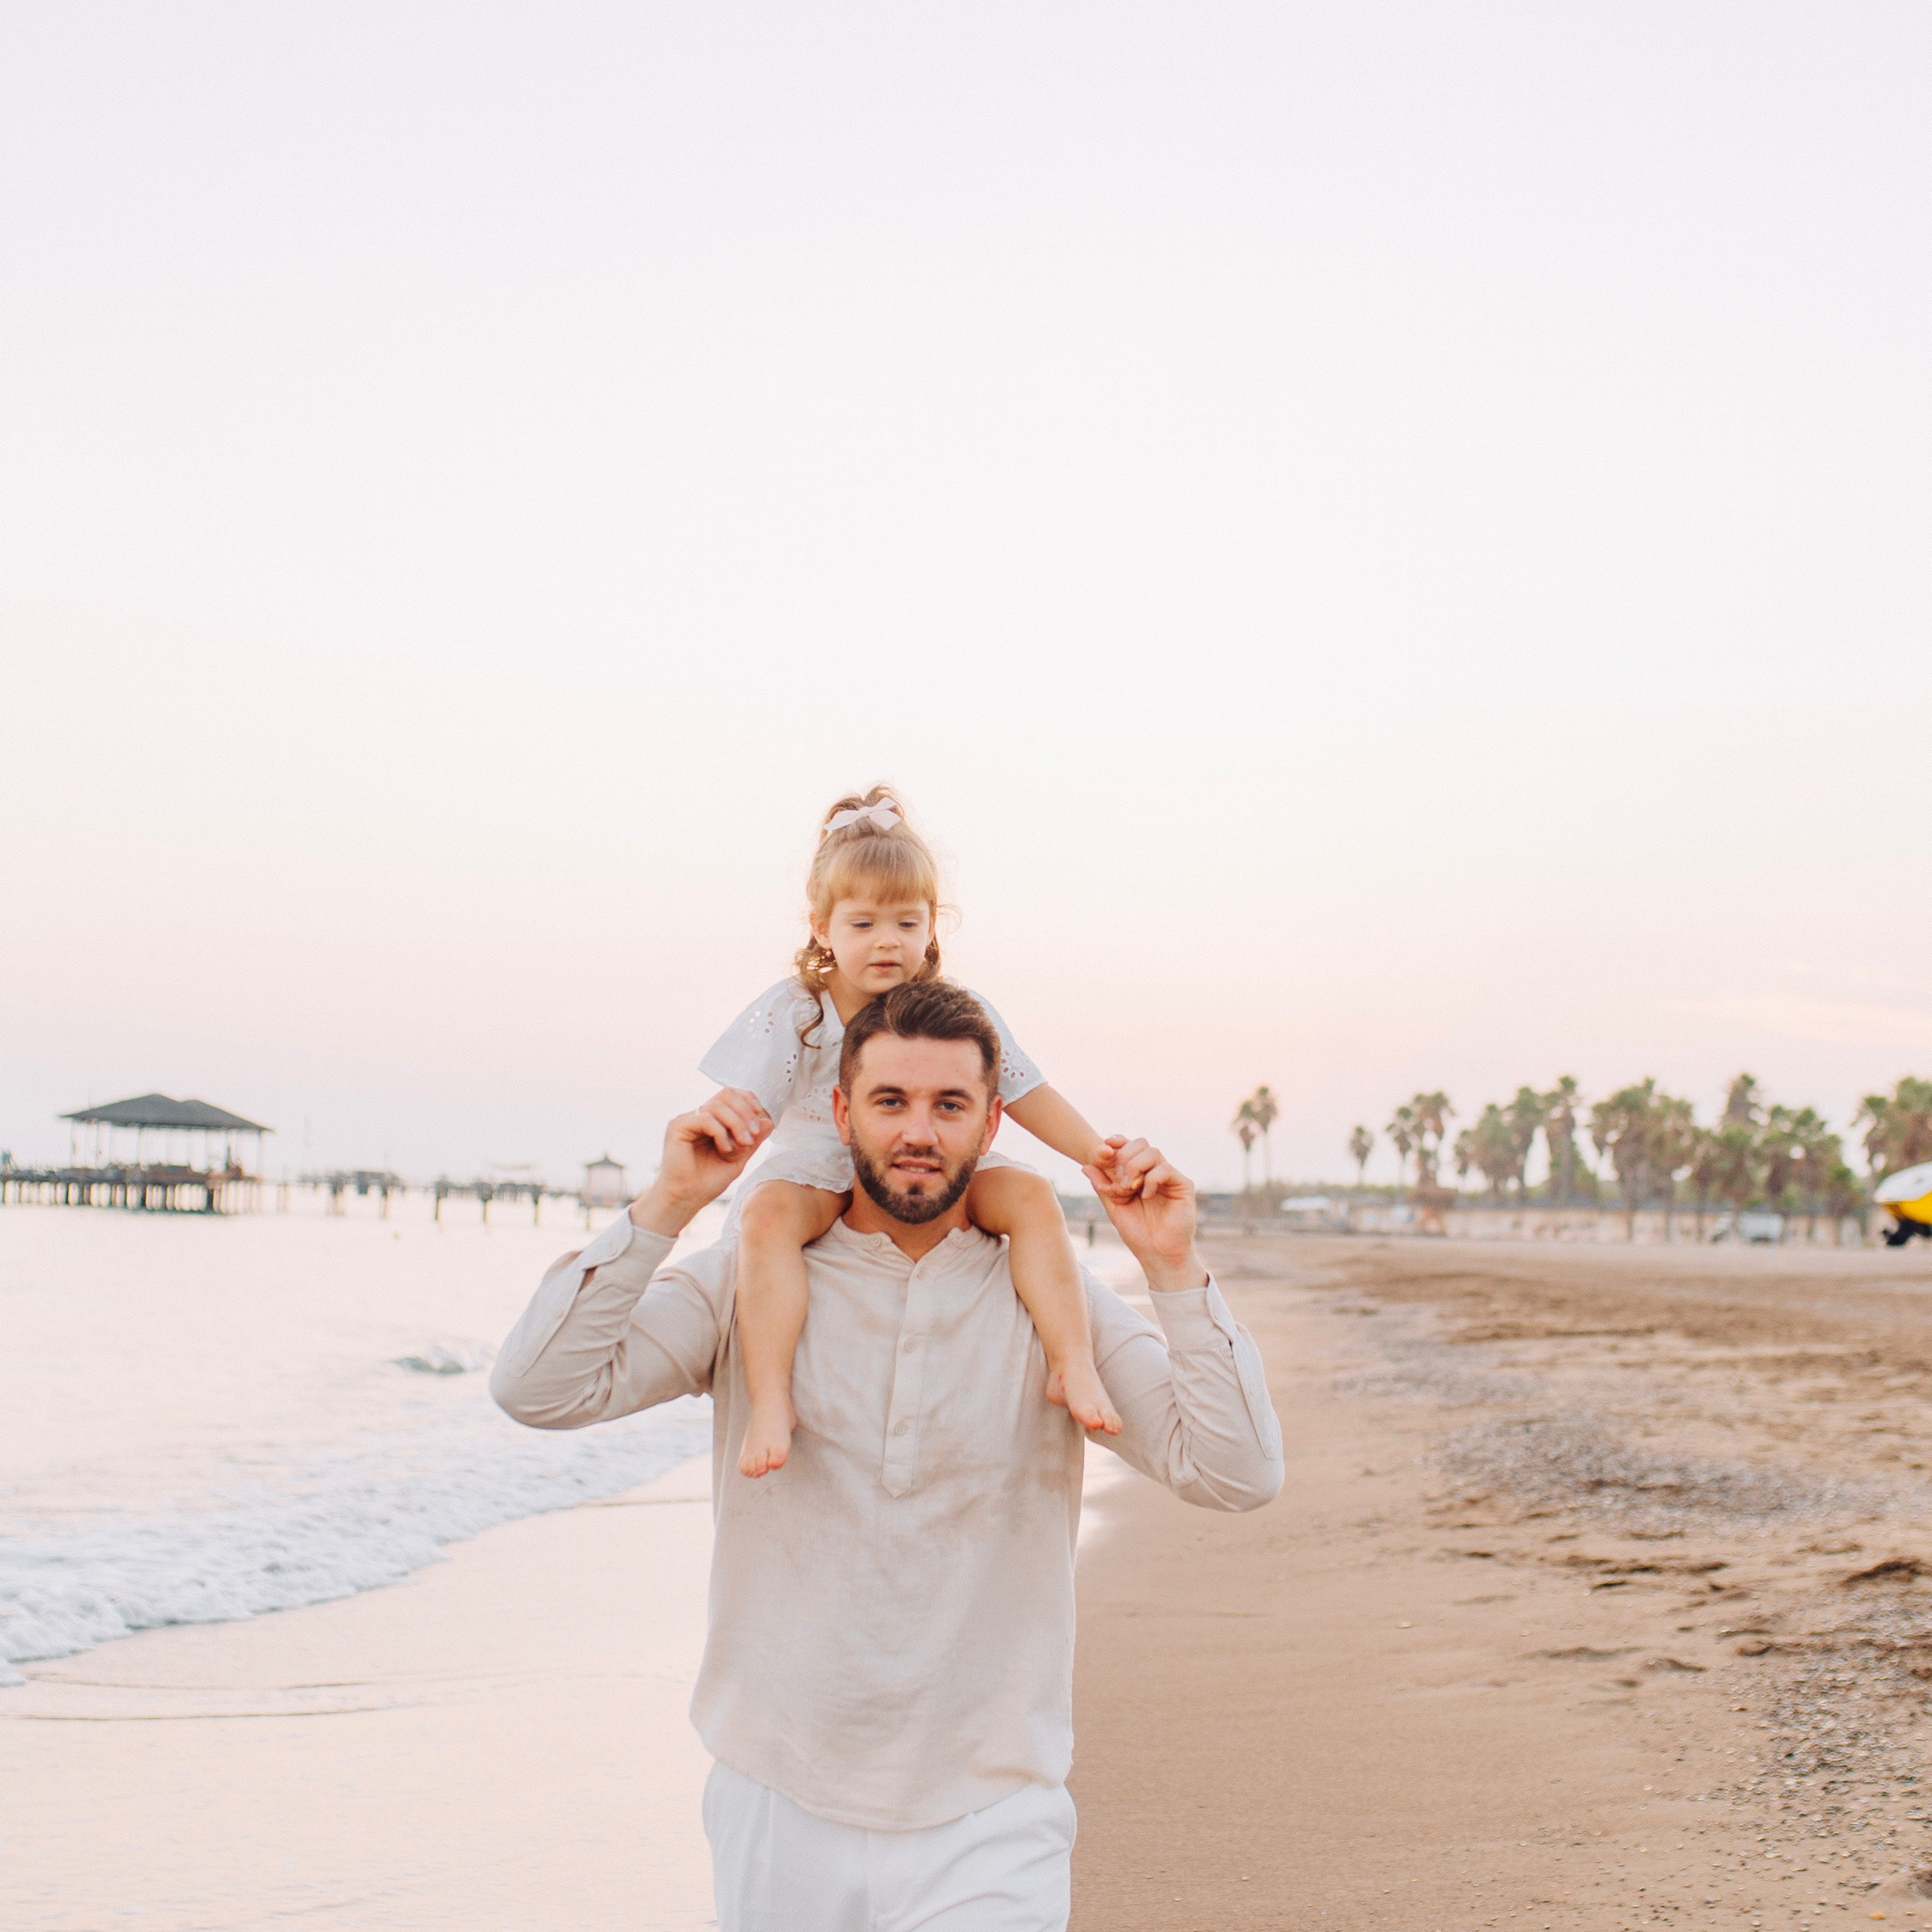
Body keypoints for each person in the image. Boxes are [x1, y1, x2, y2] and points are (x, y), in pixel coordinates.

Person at [493, 980, 1282, 1932]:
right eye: (890, 1101)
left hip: (992, 1810)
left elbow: (1236, 1472)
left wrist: (1170, 1268)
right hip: (777, 1794)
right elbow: (538, 1388)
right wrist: (667, 1204)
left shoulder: (1050, 1294)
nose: (919, 1130)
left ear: (992, 1124)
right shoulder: (750, 1275)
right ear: (840, 1111)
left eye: (950, 1105)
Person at [700, 785, 1122, 1478]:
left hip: (927, 1163)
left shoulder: (954, 1011)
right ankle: (771, 1399)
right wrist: (713, 1142)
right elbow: (743, 1102)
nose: (886, 942)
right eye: (862, 924)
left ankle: (1072, 1364)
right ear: (821, 926)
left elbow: (1024, 1090)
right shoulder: (797, 1011)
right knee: (768, 1215)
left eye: (906, 921)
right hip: (818, 1167)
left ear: (934, 925)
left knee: (1029, 1196)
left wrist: (1096, 1154)